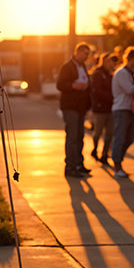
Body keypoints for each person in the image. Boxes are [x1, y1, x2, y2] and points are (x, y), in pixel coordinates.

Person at [57, 42, 92, 178]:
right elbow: (60, 84)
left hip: (81, 107)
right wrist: (73, 85)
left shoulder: (83, 66)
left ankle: (78, 164)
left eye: (88, 54)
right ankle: (70, 166)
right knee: (72, 137)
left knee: (80, 137)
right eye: (85, 54)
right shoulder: (67, 67)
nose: (86, 57)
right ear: (77, 52)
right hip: (70, 106)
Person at [111, 46, 134, 178]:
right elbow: (130, 90)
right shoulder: (122, 73)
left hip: (129, 109)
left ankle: (119, 159)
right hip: (121, 108)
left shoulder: (130, 72)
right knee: (120, 137)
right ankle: (117, 164)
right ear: (130, 58)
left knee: (129, 137)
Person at [89, 52, 117, 166]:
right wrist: (111, 98)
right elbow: (97, 91)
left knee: (109, 133)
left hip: (110, 108)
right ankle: (95, 149)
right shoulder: (98, 74)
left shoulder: (111, 74)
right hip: (100, 108)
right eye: (108, 61)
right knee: (98, 132)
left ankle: (105, 154)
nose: (111, 63)